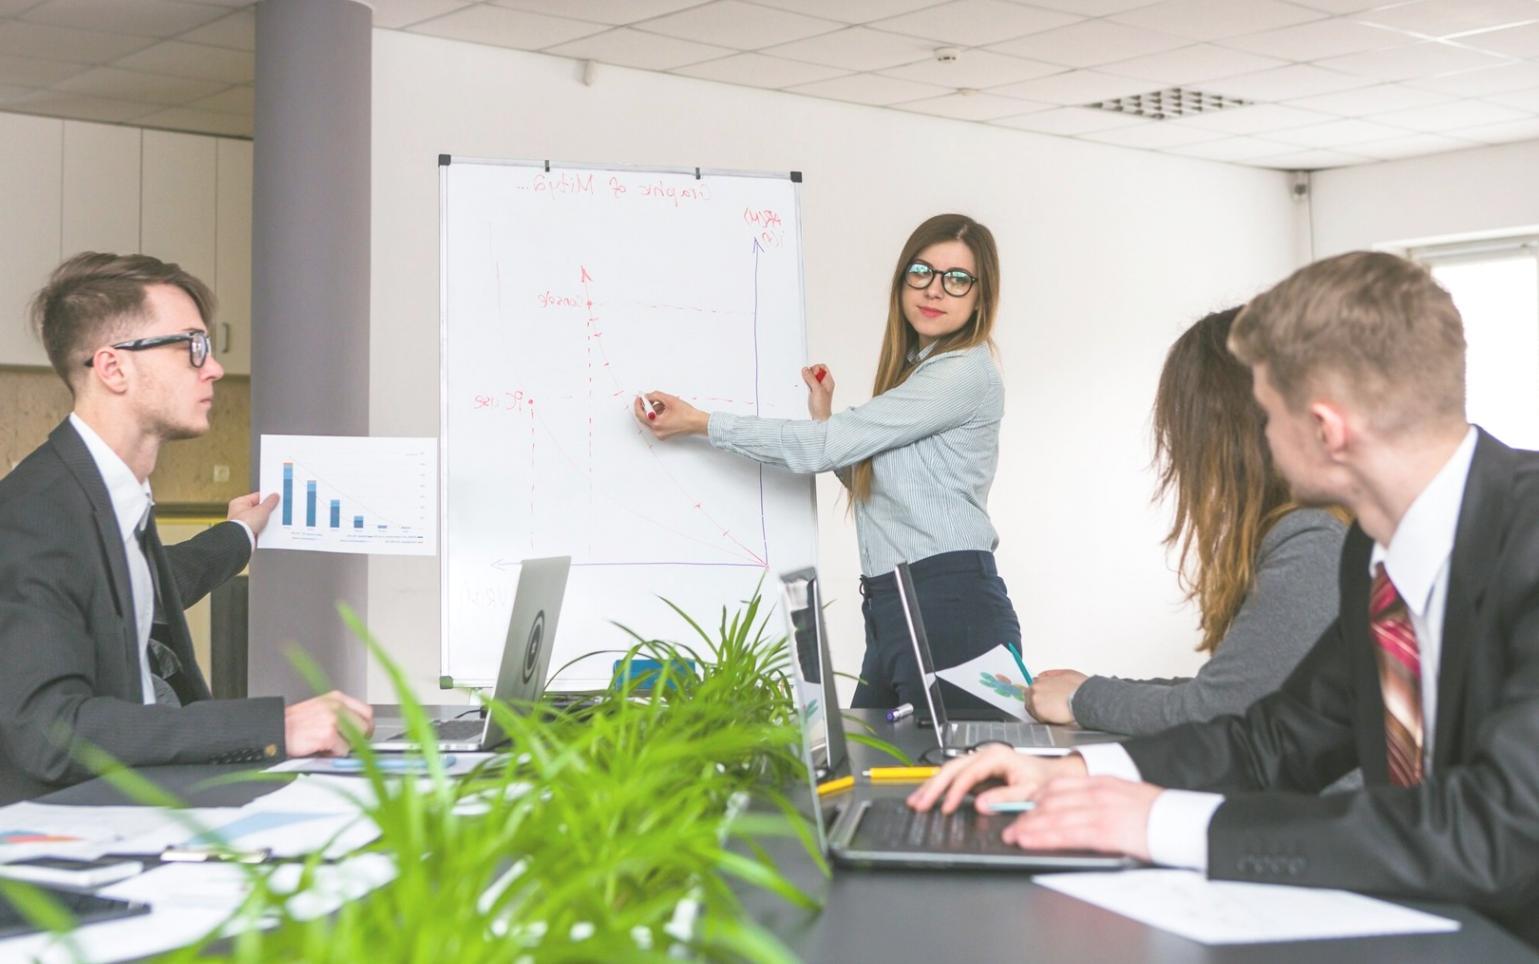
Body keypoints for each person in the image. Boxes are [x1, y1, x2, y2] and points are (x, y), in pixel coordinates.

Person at [909, 251, 1539, 946]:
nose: (1259, 437)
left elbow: (1497, 831)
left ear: (1325, 430)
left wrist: (1160, 822)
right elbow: (1277, 739)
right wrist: (1074, 772)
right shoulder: (1375, 547)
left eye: (1266, 414)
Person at [0, 252, 373, 804]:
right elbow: (50, 732)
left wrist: (240, 534)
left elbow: (142, 589)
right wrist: (275, 727)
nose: (214, 367)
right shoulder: (37, 513)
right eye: (192, 346)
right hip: (73, 827)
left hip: (145, 799)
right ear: (113, 368)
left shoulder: (106, 493)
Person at [635, 213, 1017, 711]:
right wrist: (824, 416)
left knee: (953, 764)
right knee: (859, 754)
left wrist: (701, 422)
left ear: (981, 297)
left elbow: (822, 449)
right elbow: (876, 484)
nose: (934, 289)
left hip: (952, 606)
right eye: (921, 271)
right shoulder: (919, 373)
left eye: (957, 279)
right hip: (894, 605)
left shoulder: (962, 374)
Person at [1025, 308, 1347, 735]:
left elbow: (1220, 709)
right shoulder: (1304, 532)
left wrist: (1082, 698)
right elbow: (1230, 690)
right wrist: (1087, 690)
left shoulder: (1312, 541)